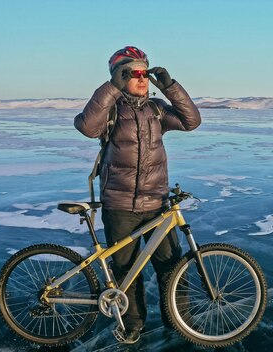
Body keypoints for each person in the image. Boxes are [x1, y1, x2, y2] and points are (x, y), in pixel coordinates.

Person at [74, 46, 201, 344]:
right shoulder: (111, 110)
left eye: (144, 71)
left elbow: (192, 121)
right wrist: (111, 88)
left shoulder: (156, 111)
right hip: (119, 206)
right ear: (119, 76)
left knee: (171, 268)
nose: (141, 77)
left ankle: (179, 322)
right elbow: (87, 126)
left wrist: (171, 86)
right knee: (126, 271)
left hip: (157, 204)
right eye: (132, 73)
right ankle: (133, 325)